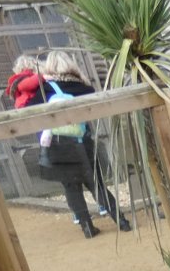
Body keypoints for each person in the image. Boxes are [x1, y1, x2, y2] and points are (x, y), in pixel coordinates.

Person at [25, 50, 131, 238]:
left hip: (59, 146)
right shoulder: (83, 87)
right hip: (84, 142)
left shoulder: (44, 90)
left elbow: (27, 111)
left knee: (71, 187)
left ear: (49, 67)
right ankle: (121, 221)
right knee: (96, 183)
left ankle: (87, 227)